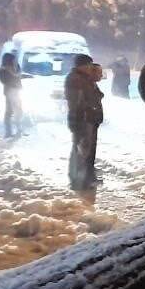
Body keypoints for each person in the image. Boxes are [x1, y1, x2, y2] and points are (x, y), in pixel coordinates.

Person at [65, 55, 104, 189]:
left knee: (87, 150)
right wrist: (83, 114)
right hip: (82, 119)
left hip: (89, 118)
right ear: (82, 65)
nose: (90, 68)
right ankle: (78, 181)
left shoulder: (84, 79)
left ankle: (86, 178)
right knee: (81, 150)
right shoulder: (76, 79)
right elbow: (77, 102)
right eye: (88, 65)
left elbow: (95, 94)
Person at [0, 52, 23, 138]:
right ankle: (8, 132)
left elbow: (19, 76)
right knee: (9, 112)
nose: (15, 61)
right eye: (13, 59)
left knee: (19, 111)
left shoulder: (17, 67)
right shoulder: (3, 70)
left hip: (17, 91)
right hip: (9, 92)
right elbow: (4, 81)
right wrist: (13, 77)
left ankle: (19, 130)